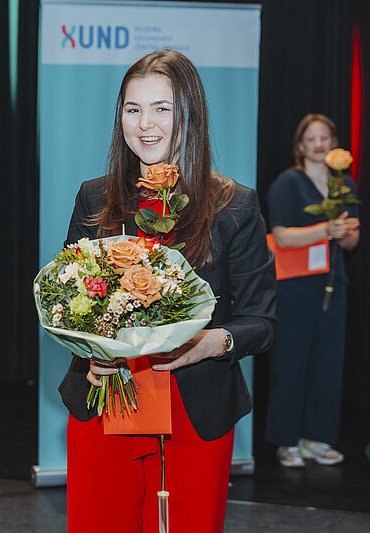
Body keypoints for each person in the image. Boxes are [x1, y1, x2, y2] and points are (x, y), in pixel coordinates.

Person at [58, 49, 276, 532]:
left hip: (193, 414)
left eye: (162, 108)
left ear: (190, 115)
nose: (145, 124)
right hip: (105, 403)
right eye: (133, 109)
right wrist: (90, 349)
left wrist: (209, 343)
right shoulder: (95, 196)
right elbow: (67, 300)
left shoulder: (234, 205)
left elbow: (262, 322)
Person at [264, 114, 360, 468]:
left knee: (328, 363)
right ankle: (286, 441)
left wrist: (345, 233)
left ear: (334, 143)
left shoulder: (344, 185)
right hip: (295, 287)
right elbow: (282, 236)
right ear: (300, 146)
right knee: (291, 363)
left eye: (325, 138)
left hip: (334, 285)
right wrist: (326, 230)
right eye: (312, 138)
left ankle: (317, 438)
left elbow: (352, 242)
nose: (319, 144)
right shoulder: (288, 182)